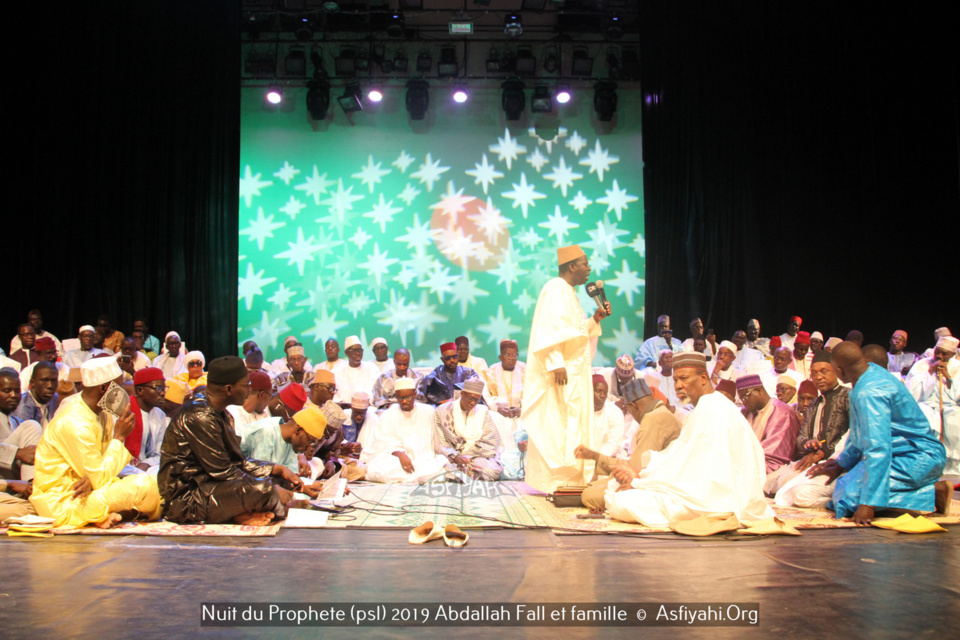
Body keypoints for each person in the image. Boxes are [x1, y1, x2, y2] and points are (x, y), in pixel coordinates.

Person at [604, 353, 772, 527]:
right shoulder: (710, 405)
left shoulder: (710, 409)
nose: (678, 385)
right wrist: (641, 473)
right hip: (718, 493)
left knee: (618, 500)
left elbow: (694, 472)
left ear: (703, 378)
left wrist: (641, 478)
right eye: (676, 380)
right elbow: (686, 459)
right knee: (617, 490)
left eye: (683, 378)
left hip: (713, 499)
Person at [808, 343, 948, 523]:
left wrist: (868, 504)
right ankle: (927, 491)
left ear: (839, 370)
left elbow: (878, 448)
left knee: (849, 499)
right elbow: (858, 432)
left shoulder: (869, 392)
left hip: (918, 457)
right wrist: (841, 463)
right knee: (842, 486)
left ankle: (933, 492)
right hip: (900, 455)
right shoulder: (869, 373)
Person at [159, 356, 302, 526]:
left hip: (211, 488)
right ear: (228, 389)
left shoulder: (219, 413)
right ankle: (275, 511)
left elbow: (237, 461)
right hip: (188, 499)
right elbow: (224, 472)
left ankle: (248, 512)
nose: (249, 390)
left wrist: (276, 469)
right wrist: (271, 489)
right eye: (246, 385)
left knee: (278, 480)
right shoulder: (200, 415)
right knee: (265, 489)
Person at [29, 356, 162, 529]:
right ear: (104, 388)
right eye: (119, 386)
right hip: (65, 501)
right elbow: (99, 477)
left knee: (155, 482)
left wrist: (91, 481)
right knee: (143, 486)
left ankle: (117, 515)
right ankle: (116, 514)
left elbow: (102, 470)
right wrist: (119, 437)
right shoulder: (75, 421)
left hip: (90, 490)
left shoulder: (102, 413)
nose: (123, 392)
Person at [521, 244, 611, 493]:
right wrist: (555, 363)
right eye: (585, 263)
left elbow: (573, 333)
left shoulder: (569, 292)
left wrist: (595, 320)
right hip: (560, 374)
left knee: (571, 426)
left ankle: (571, 482)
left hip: (573, 372)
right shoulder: (555, 288)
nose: (589, 268)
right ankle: (557, 483)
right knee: (559, 426)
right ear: (572, 266)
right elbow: (548, 329)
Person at [578, 378, 681, 511]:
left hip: (660, 484)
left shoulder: (653, 419)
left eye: (629, 409)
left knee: (589, 495)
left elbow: (634, 470)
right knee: (593, 486)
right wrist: (596, 457)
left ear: (633, 405)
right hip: (654, 477)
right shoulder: (660, 413)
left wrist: (608, 476)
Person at [763, 351, 850, 501]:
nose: (818, 377)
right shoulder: (814, 404)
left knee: (797, 494)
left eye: (824, 371)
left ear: (836, 371)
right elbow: (801, 437)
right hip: (809, 458)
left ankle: (837, 501)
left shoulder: (848, 397)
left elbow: (852, 435)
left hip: (836, 462)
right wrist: (807, 443)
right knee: (767, 485)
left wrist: (824, 452)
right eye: (814, 373)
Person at [364, 379, 447, 483]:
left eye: (407, 397)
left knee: (437, 463)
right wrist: (399, 454)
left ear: (415, 394)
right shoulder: (388, 414)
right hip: (396, 460)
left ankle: (422, 475)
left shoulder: (428, 411)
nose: (404, 401)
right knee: (379, 470)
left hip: (424, 458)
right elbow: (382, 441)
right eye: (400, 397)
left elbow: (437, 439)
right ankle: (423, 476)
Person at [904, 336, 959, 479]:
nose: (939, 356)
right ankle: (926, 463)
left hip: (949, 406)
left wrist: (948, 377)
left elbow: (956, 396)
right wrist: (930, 372)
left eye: (944, 354)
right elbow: (911, 392)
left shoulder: (957, 367)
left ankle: (950, 467)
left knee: (955, 418)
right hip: (925, 404)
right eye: (937, 351)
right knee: (924, 415)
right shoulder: (921, 365)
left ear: (952, 355)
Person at [434, 378, 502, 481]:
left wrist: (469, 456)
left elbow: (492, 441)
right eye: (470, 398)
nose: (473, 403)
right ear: (462, 394)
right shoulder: (443, 411)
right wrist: (456, 457)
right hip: (452, 457)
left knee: (494, 470)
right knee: (440, 468)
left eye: (476, 399)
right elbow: (440, 441)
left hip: (476, 457)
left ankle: (465, 474)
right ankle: (468, 474)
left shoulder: (482, 412)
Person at [241, 406, 326, 481]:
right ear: (298, 431)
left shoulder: (291, 440)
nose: (308, 448)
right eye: (310, 441)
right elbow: (260, 476)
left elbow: (290, 473)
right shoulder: (266, 431)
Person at [737, 374, 802, 474]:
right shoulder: (746, 411)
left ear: (758, 391)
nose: (744, 402)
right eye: (742, 400)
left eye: (745, 397)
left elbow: (774, 455)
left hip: (772, 468)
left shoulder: (782, 412)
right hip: (747, 462)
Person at [120, 367, 170, 476]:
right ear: (140, 391)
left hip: (145, 467)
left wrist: (146, 464)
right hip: (122, 467)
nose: (162, 393)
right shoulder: (123, 410)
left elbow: (159, 452)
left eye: (164, 388)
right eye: (157, 388)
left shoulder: (159, 414)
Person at [577, 375, 625, 480]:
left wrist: (594, 458)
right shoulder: (578, 410)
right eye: (598, 391)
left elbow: (614, 443)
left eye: (605, 392)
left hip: (606, 463)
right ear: (589, 391)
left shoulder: (614, 412)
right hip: (580, 462)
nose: (602, 395)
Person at [0, 368, 43, 482]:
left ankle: (33, 483)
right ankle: (32, 483)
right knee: (32, 425)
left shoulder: (17, 422)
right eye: (7, 390)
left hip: (13, 478)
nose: (13, 395)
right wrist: (17, 453)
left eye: (17, 391)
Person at [11, 360, 60, 429]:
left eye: (53, 380)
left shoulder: (54, 398)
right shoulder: (23, 406)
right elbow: (26, 438)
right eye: (44, 380)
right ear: (32, 382)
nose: (50, 386)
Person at [226, 370, 273, 438]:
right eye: (270, 396)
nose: (268, 401)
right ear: (261, 395)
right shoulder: (232, 412)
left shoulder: (263, 413)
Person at [335, 335, 381, 405]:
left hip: (369, 409)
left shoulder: (372, 368)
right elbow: (336, 398)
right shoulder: (337, 371)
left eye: (360, 350)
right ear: (346, 353)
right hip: (346, 411)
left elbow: (377, 393)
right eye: (354, 350)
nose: (358, 353)